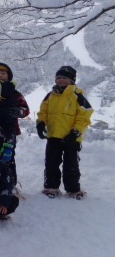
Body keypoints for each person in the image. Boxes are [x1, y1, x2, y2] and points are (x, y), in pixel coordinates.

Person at [36, 66, 93, 199]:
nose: (61, 80)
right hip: (53, 135)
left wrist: (76, 132)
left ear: (71, 80)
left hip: (71, 137)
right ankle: (51, 187)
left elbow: (85, 116)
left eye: (64, 78)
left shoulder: (77, 95)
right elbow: (43, 111)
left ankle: (73, 189)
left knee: (71, 164)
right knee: (51, 162)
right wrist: (41, 123)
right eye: (58, 78)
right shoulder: (50, 95)